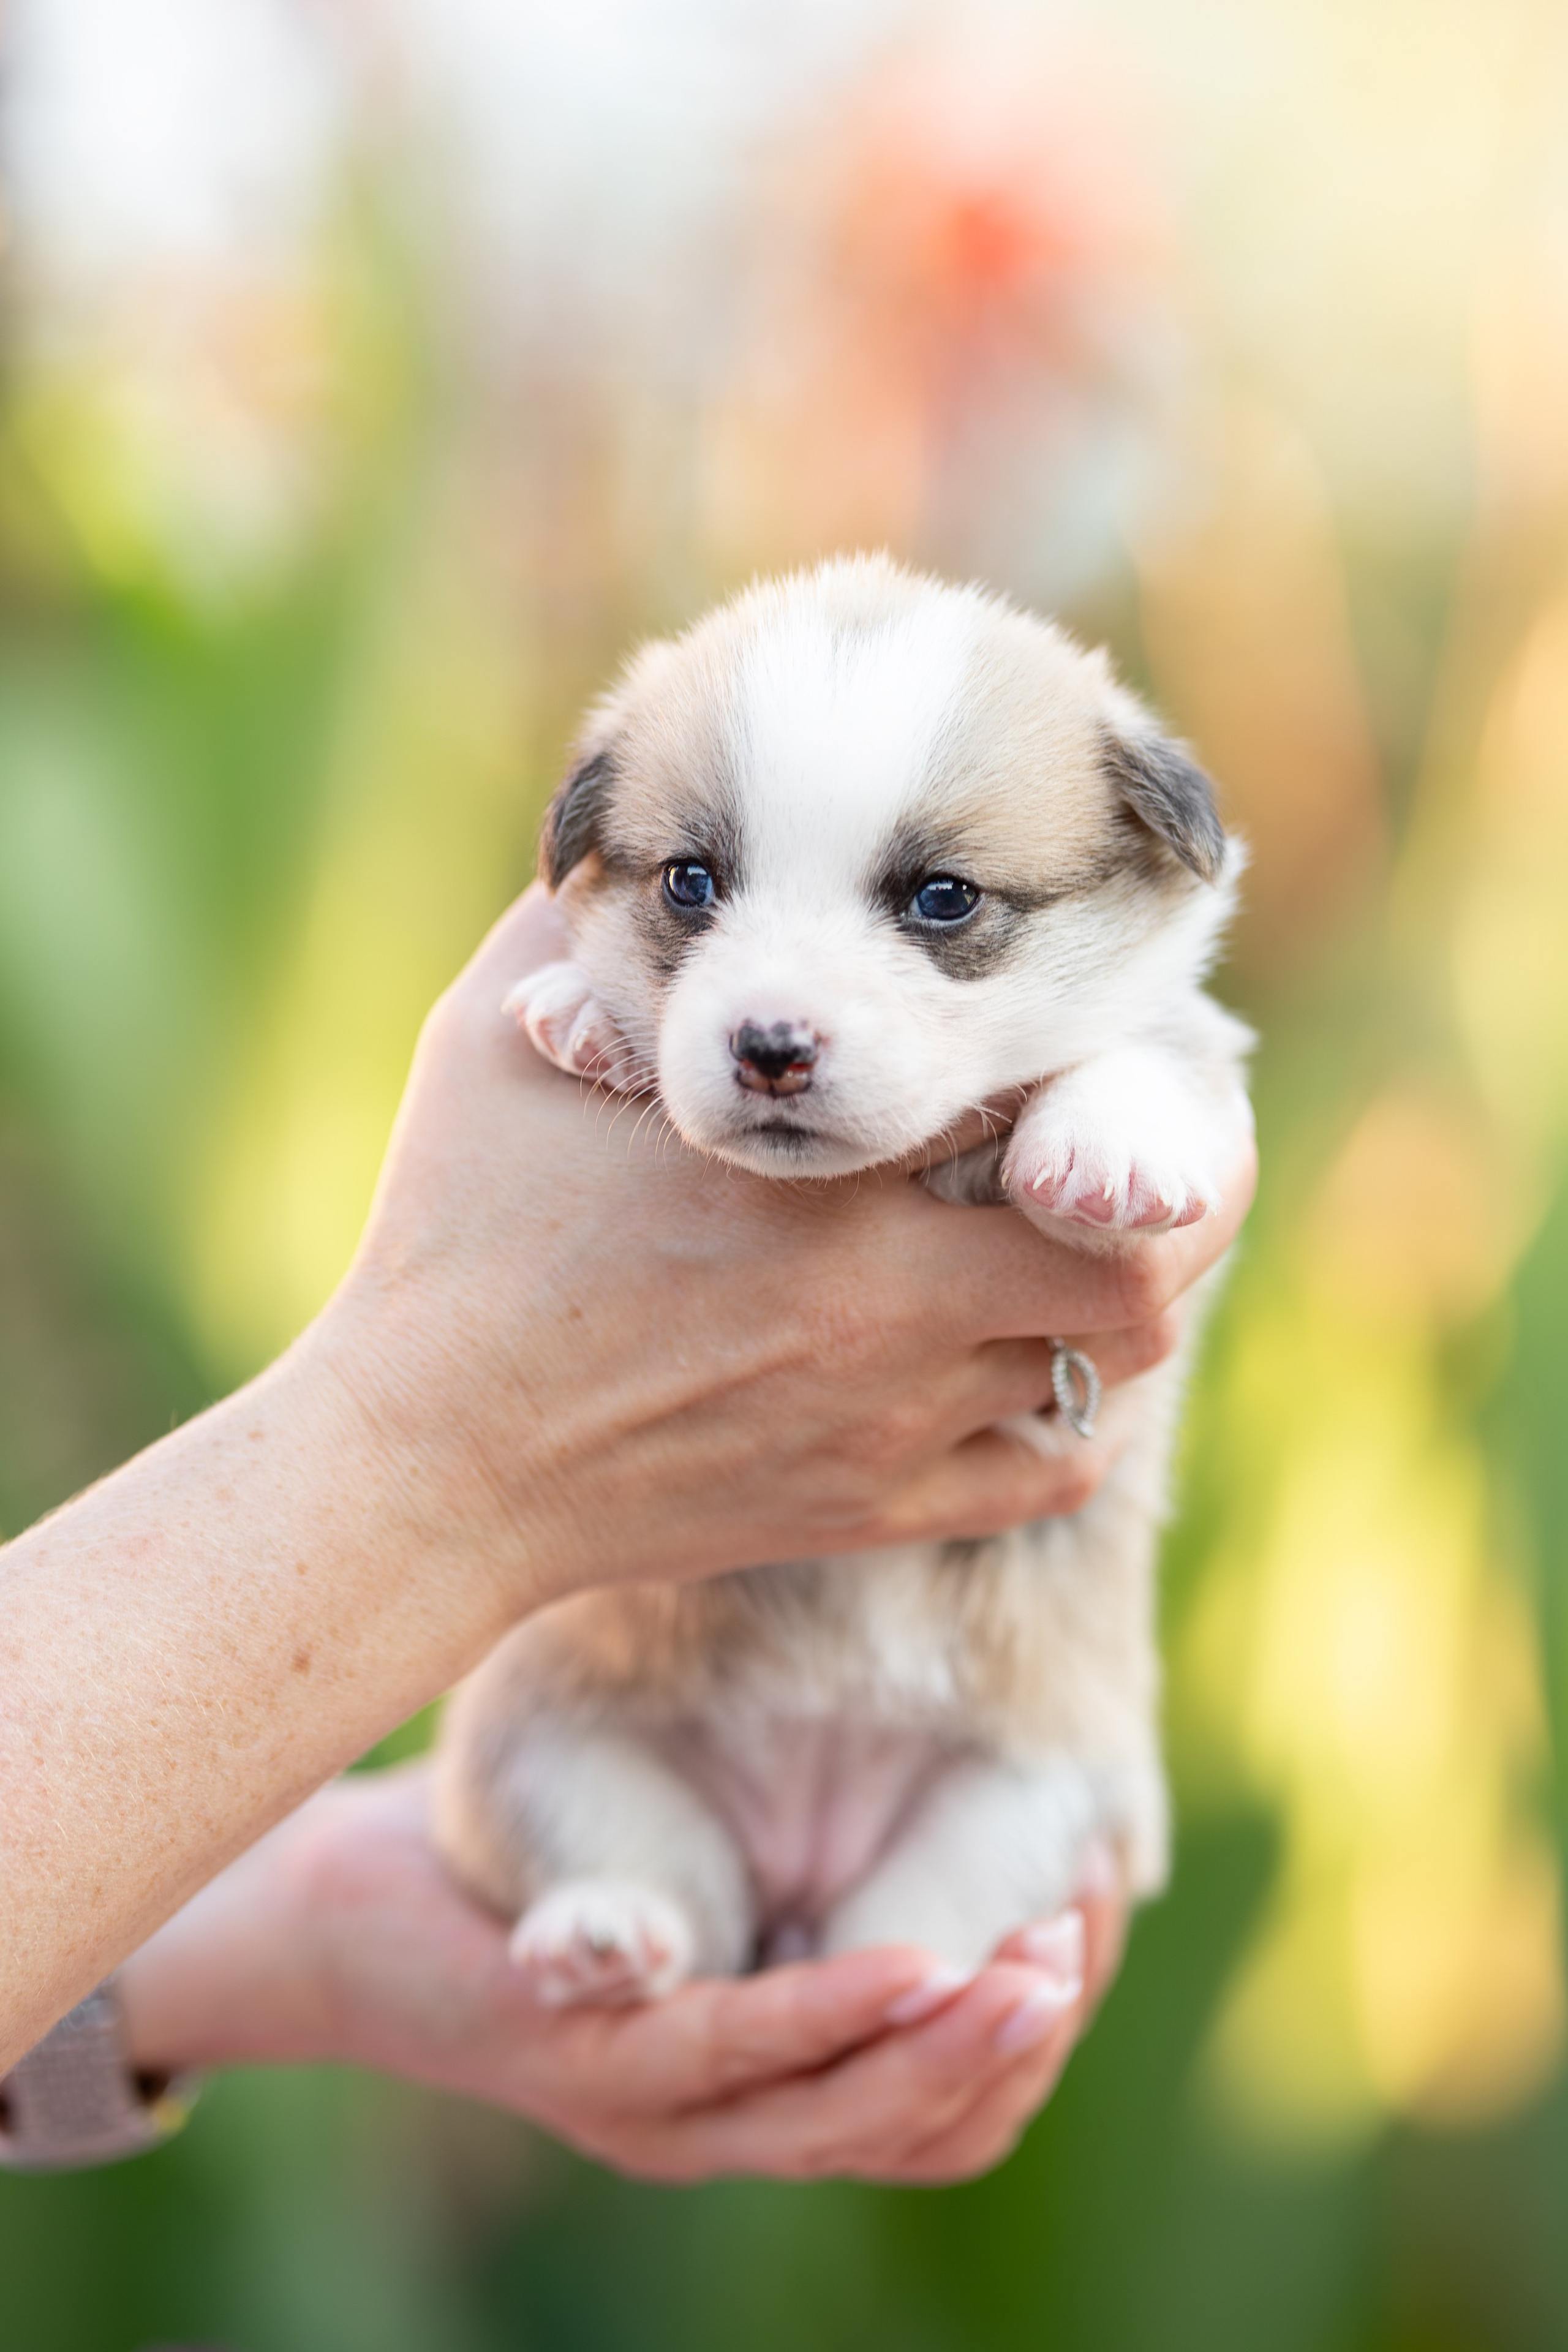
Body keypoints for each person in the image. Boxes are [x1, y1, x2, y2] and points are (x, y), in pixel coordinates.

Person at [0, 886, 1253, 2180]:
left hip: (972, 1736)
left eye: (936, 903)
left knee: (983, 1869)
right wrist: (440, 1454)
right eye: (696, 891)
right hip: (666, 1728)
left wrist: (304, 1936)